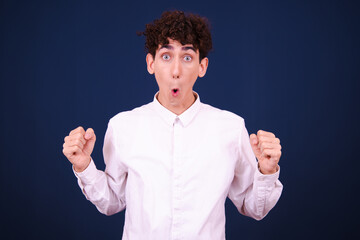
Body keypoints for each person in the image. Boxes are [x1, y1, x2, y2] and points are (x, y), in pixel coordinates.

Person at [62, 10, 283, 240]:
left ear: (202, 67)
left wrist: (266, 171)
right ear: (151, 63)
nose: (176, 71)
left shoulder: (231, 128)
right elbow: (112, 202)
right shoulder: (122, 127)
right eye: (166, 56)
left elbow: (253, 207)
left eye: (187, 58)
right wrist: (84, 166)